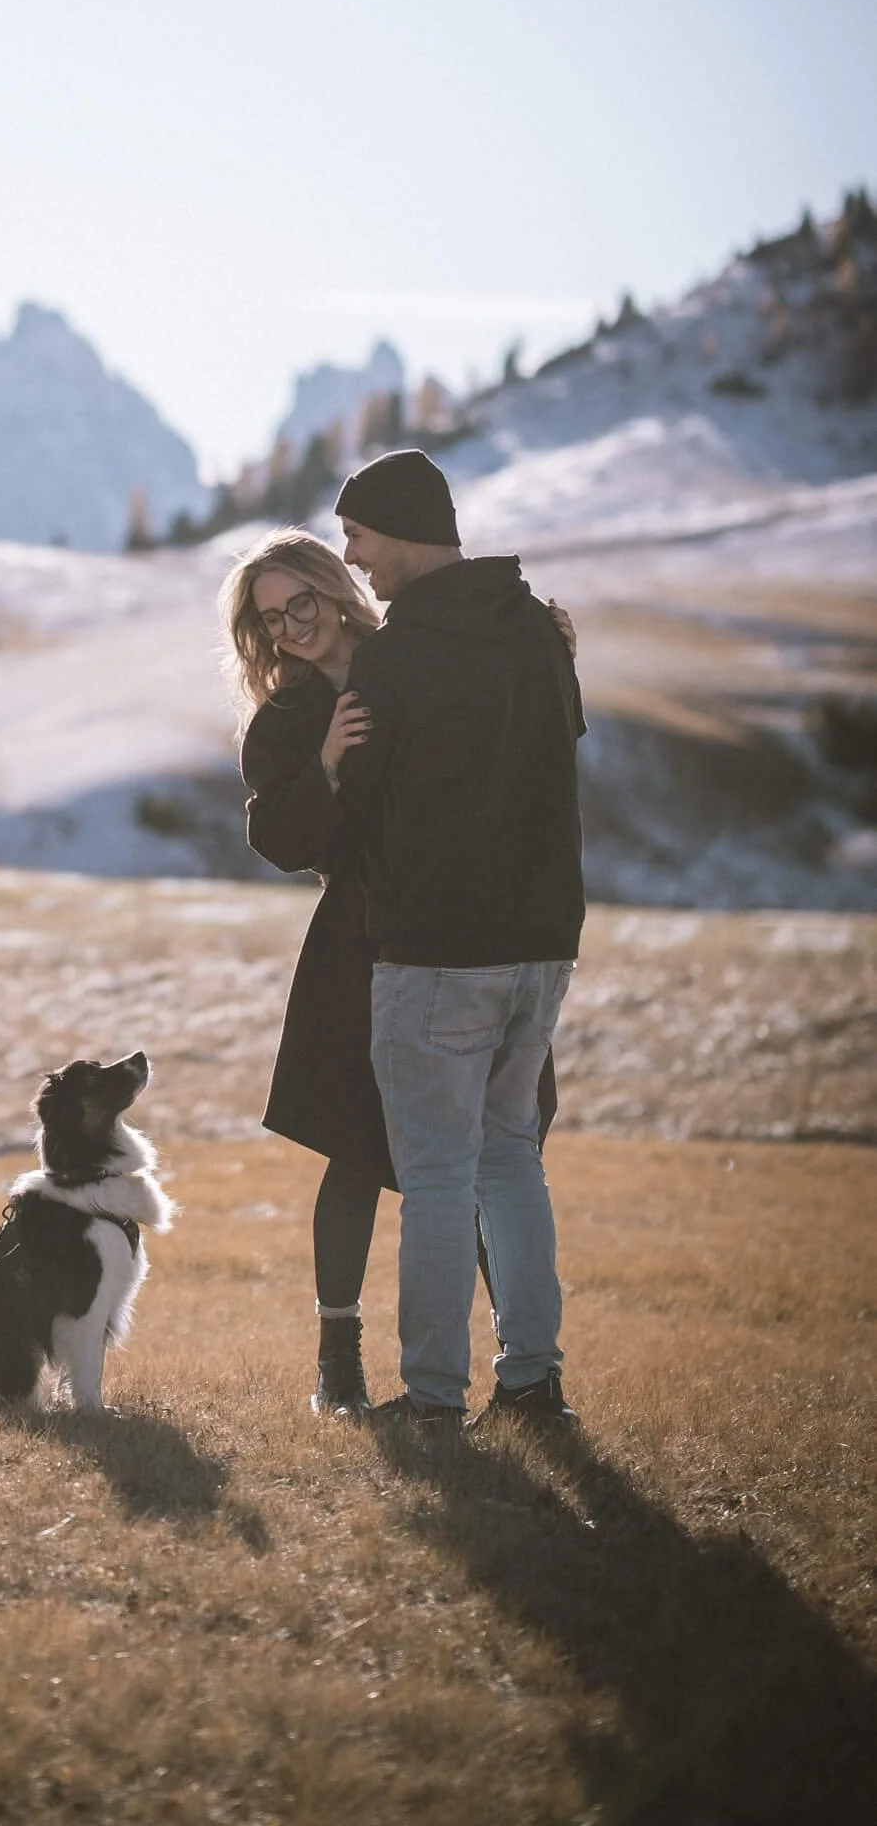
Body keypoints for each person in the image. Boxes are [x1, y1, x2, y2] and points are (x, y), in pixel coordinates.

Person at [221, 528, 566, 1417]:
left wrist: (547, 642)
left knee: (484, 1156)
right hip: (357, 948)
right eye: (270, 620)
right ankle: (340, 1365)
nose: (292, 626)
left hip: (462, 930)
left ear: (335, 589)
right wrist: (329, 763)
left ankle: (521, 1373)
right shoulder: (285, 722)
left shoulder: (416, 653)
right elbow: (287, 842)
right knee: (355, 1152)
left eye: (300, 602)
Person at [331, 448, 586, 1434]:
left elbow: (351, 799)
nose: (350, 558)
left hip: (437, 951)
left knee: (436, 1170)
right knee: (508, 1158)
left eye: (355, 536)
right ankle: (528, 1380)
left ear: (396, 529)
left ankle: (432, 1397)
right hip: (539, 946)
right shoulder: (533, 630)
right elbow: (564, 739)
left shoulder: (395, 655)